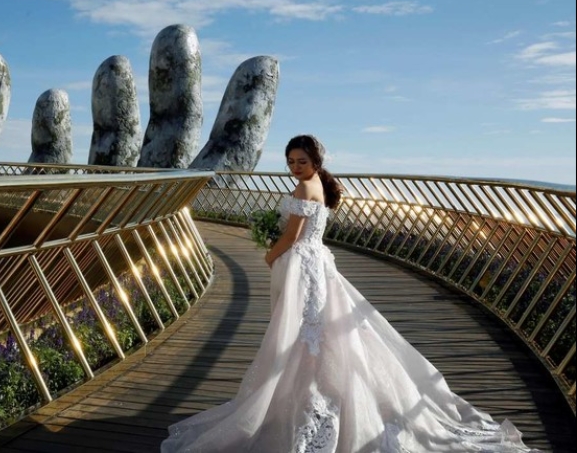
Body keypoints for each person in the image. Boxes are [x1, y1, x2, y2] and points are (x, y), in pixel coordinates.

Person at [160, 135, 539, 452]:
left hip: (301, 264)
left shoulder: (304, 187)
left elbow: (291, 235)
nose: (295, 167)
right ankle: (321, 390)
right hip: (316, 262)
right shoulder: (320, 184)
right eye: (291, 161)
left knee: (304, 332)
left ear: (315, 160)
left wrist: (269, 253)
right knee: (319, 332)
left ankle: (310, 395)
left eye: (301, 160)